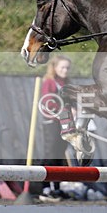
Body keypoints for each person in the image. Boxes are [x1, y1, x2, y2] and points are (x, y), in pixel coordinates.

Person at [37, 55, 73, 202]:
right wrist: (62, 111)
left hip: (63, 123)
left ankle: (56, 188)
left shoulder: (66, 83)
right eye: (62, 67)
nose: (65, 70)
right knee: (50, 154)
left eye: (67, 68)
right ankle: (45, 188)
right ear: (55, 68)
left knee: (59, 154)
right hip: (51, 122)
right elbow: (48, 102)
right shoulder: (50, 82)